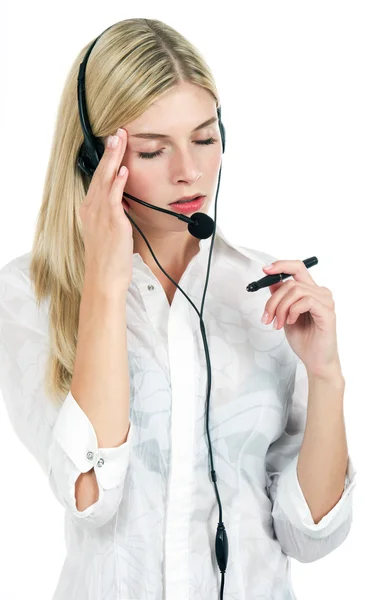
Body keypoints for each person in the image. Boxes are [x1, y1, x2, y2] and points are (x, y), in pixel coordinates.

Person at [0, 18, 357, 600]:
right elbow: (90, 495)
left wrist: (326, 376)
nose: (188, 171)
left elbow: (310, 535)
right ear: (95, 159)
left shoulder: (264, 292)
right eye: (151, 149)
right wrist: (105, 286)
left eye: (205, 137)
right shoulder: (31, 295)